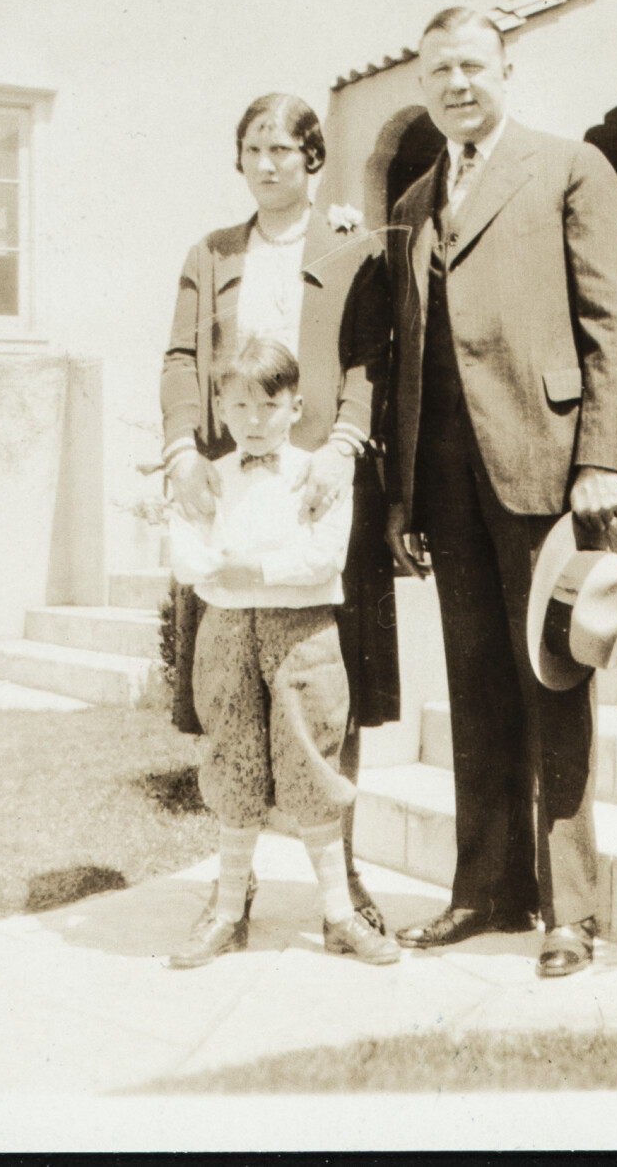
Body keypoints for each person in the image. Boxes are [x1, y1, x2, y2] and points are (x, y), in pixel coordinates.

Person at [383, 6, 617, 979]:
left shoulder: (570, 166)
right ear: (422, 84)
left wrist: (603, 457)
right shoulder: (414, 200)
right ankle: (483, 890)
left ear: (507, 69)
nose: (456, 84)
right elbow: (407, 355)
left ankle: (567, 911)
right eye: (437, 71)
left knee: (553, 678)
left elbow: (615, 323)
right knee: (473, 689)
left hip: (547, 468)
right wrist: (401, 497)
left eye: (471, 66)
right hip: (445, 486)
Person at [161, 92, 397, 934]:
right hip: (231, 497)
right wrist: (183, 450)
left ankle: (348, 881)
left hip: (321, 484)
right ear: (240, 160)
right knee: (233, 704)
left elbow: (372, 361)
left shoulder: (348, 246)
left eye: (286, 149)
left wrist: (343, 444)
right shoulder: (212, 252)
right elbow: (184, 356)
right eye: (254, 147)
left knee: (333, 693)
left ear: (313, 159)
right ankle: (236, 887)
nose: (269, 163)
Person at [165, 337, 401, 968]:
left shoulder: (317, 472)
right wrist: (225, 573)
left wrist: (256, 570)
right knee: (233, 760)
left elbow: (323, 556)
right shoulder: (208, 477)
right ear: (221, 408)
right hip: (226, 632)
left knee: (311, 760)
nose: (254, 420)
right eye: (239, 406)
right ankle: (226, 912)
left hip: (302, 633)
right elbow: (186, 553)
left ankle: (339, 914)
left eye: (269, 405)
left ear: (296, 407)